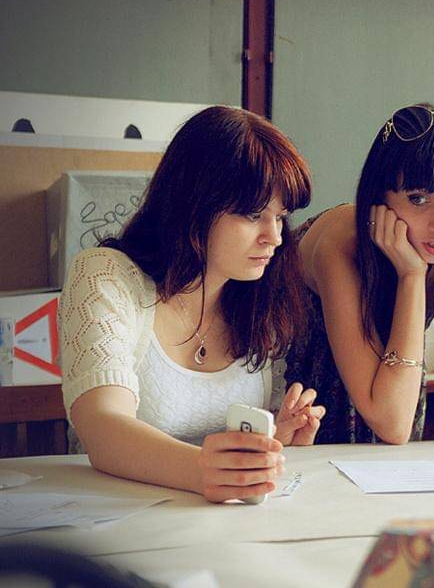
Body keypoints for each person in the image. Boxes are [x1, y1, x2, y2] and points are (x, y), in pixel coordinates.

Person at [59, 106, 325, 503]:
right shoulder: (106, 275)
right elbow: (102, 426)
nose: (274, 237)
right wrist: (202, 470)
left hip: (217, 524)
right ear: (194, 205)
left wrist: (273, 441)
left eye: (280, 217)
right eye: (253, 214)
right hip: (112, 521)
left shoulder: (258, 301)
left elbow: (230, 449)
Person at [283, 104, 434, 444]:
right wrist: (412, 277)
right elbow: (392, 422)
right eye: (418, 199)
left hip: (392, 402)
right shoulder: (342, 244)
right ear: (379, 199)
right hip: (299, 420)